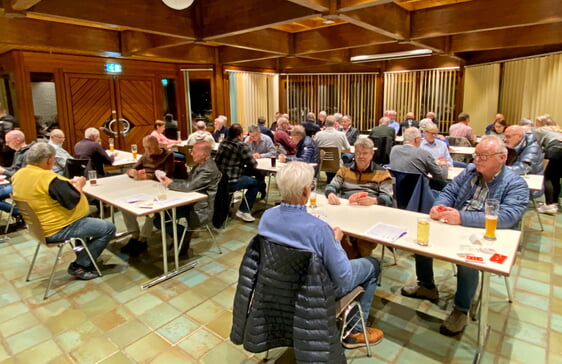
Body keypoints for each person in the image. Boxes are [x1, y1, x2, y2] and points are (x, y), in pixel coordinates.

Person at [401, 136, 528, 336]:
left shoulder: (515, 184)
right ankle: (426, 286)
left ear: (502, 158)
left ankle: (462, 309)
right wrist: (437, 206)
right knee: (423, 236)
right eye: (476, 155)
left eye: (483, 156)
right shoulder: (470, 172)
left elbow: (507, 216)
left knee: (468, 259)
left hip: (487, 233)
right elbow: (449, 191)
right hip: (457, 222)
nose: (476, 160)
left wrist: (461, 217)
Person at [258, 161, 384, 347]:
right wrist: (335, 242)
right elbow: (343, 277)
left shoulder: (267, 217)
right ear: (305, 192)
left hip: (278, 288)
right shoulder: (319, 229)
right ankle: (355, 330)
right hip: (314, 294)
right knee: (373, 265)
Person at [12, 142, 116, 280]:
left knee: (90, 216)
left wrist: (67, 185)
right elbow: (72, 201)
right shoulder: (48, 179)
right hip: (57, 229)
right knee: (108, 228)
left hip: (37, 228)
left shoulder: (19, 175)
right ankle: (80, 265)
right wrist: (79, 185)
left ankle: (83, 251)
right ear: (50, 160)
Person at [156, 141, 221, 256]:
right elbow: (189, 183)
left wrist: (170, 184)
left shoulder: (208, 169)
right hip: (190, 202)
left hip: (199, 208)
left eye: (194, 152)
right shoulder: (201, 164)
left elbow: (189, 186)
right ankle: (179, 236)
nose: (191, 154)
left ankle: (182, 234)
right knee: (159, 215)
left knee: (161, 218)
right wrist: (171, 181)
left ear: (204, 155)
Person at [120, 135, 175, 256]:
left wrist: (148, 176)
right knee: (124, 206)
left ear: (157, 145)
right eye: (145, 148)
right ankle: (134, 235)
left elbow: (168, 174)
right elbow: (132, 169)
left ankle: (143, 239)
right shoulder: (145, 156)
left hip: (160, 189)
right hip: (144, 188)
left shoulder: (168, 155)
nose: (148, 151)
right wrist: (132, 172)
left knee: (151, 211)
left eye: (150, 147)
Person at [215, 123, 263, 222]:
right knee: (256, 182)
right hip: (232, 181)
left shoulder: (223, 143)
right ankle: (243, 210)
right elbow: (253, 164)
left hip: (218, 180)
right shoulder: (241, 145)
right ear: (241, 134)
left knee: (248, 177)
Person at [534, 115, 562, 214]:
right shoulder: (558, 130)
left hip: (555, 149)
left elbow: (534, 144)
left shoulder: (540, 130)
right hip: (559, 149)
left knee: (548, 177)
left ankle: (549, 205)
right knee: (556, 177)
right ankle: (554, 202)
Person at [313, 115, 351, 181]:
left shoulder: (318, 134)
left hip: (322, 163)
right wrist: (340, 150)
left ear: (325, 123)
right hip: (336, 164)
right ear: (335, 124)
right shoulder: (341, 135)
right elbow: (348, 150)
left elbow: (314, 148)